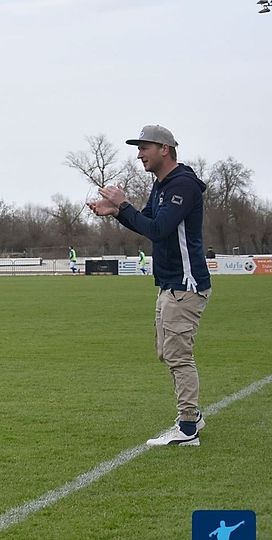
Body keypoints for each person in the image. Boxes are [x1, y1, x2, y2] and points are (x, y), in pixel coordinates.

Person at [89, 124, 211, 447]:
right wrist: (117, 212)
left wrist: (124, 204)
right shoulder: (161, 186)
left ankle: (188, 427)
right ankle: (193, 415)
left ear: (164, 149)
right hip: (169, 284)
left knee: (179, 355)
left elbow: (159, 229)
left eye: (144, 148)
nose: (139, 155)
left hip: (185, 284)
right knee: (166, 352)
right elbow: (146, 223)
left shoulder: (182, 185)